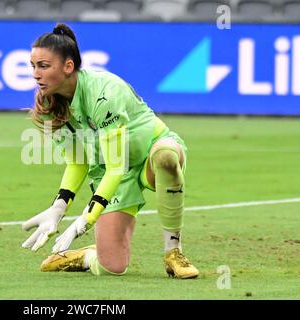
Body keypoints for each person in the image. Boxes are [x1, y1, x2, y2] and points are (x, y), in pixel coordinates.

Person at [21, 23, 199, 279]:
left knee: (166, 158)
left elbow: (117, 166)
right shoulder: (49, 106)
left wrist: (85, 219)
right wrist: (58, 208)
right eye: (33, 66)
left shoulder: (103, 93)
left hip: (150, 149)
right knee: (111, 267)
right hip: (114, 173)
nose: (36, 74)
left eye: (44, 66)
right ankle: (86, 256)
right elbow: (78, 162)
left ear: (68, 66)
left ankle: (174, 253)